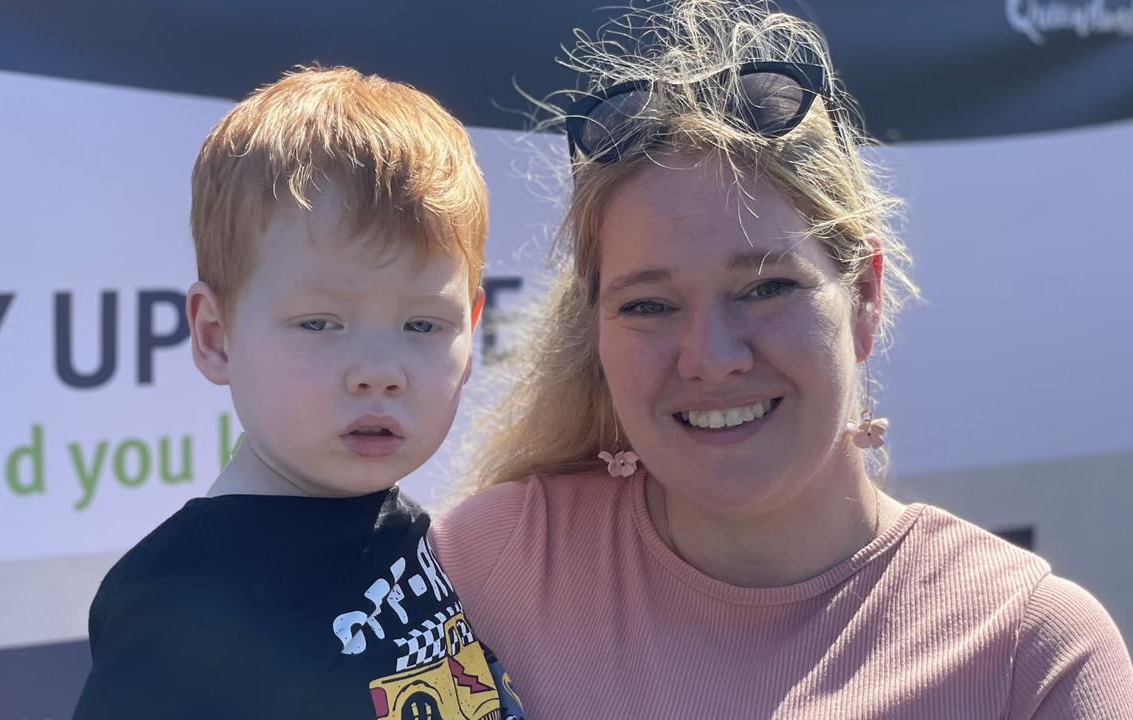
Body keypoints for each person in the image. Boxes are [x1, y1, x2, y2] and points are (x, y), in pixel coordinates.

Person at [431, 1, 1133, 717]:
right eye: (649, 305)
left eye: (766, 288)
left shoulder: (1033, 654)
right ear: (596, 328)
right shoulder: (483, 571)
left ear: (863, 296)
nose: (711, 356)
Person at [73, 67, 525, 720]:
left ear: (472, 332)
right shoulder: (182, 611)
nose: (379, 370)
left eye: (422, 324)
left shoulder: (415, 531)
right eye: (320, 323)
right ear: (215, 335)